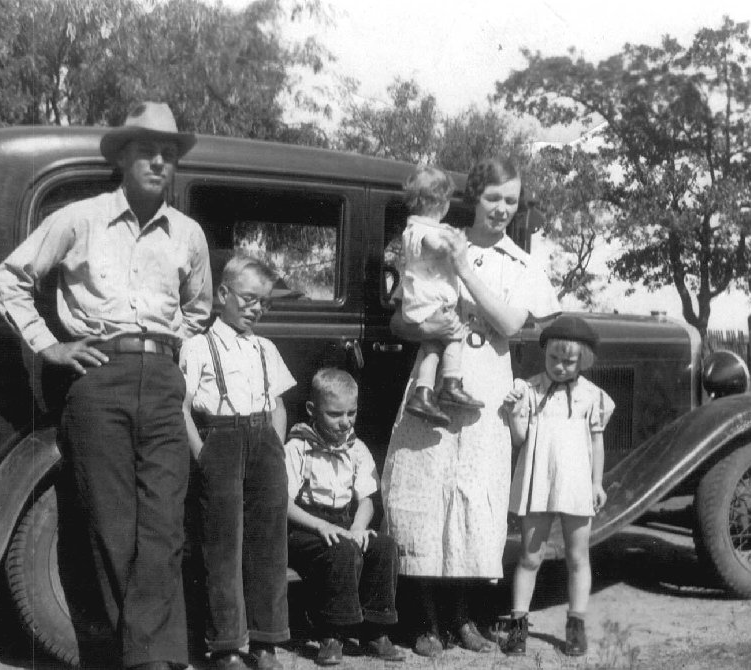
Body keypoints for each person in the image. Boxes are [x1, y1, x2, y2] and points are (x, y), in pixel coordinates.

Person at [0, 101, 211, 670]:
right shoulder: (78, 219)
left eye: (168, 152)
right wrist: (50, 345)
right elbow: (9, 279)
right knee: (111, 526)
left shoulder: (188, 234)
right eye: (146, 150)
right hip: (96, 379)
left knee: (164, 524)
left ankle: (149, 660)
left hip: (163, 381)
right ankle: (131, 660)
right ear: (122, 157)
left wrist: (161, 350)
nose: (159, 160)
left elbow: (200, 309)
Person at [380, 158, 560, 657]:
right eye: (492, 198)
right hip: (433, 383)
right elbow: (399, 318)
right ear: (473, 198)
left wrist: (464, 269)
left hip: (484, 384)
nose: (502, 209)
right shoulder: (433, 238)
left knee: (473, 502)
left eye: (511, 200)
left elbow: (507, 322)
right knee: (426, 497)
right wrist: (425, 329)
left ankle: (464, 618)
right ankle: (426, 621)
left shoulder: (521, 264)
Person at [179, 255, 296, 670]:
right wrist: (203, 454)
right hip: (220, 441)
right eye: (248, 298)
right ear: (222, 295)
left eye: (263, 302)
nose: (255, 308)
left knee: (269, 545)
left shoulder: (266, 347)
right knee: (223, 545)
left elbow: (279, 403)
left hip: (264, 441)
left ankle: (266, 643)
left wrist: (276, 445)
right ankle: (227, 645)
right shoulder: (198, 346)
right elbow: (182, 407)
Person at [500, 315, 614, 657]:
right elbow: (520, 440)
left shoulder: (592, 396)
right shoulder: (530, 390)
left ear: (584, 361)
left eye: (570, 362)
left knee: (578, 558)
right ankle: (518, 628)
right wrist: (513, 413)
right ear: (544, 353)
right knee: (530, 557)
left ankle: (576, 627)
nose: (561, 367)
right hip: (538, 483)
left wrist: (597, 482)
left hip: (576, 485)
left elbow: (597, 443)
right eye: (554, 359)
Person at [284, 368, 407, 667]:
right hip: (305, 526)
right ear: (313, 410)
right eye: (335, 414)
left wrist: (358, 526)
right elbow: (284, 504)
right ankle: (332, 632)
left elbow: (366, 500)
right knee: (341, 549)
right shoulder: (299, 446)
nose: (345, 422)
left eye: (351, 413)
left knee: (383, 546)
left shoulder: (356, 448)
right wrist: (321, 525)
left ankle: (374, 629)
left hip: (343, 522)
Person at [399, 165, 483, 427]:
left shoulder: (413, 227)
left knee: (432, 347)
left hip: (421, 302)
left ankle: (422, 392)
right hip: (432, 301)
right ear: (439, 203)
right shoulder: (424, 229)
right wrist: (456, 245)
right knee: (455, 337)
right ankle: (451, 383)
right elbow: (436, 246)